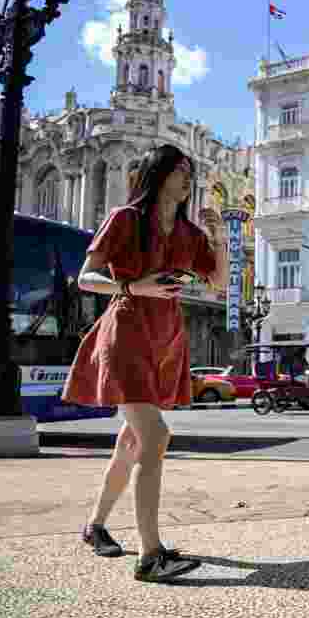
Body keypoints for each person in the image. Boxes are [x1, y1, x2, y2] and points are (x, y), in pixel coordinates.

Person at [64, 144, 224, 582]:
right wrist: (136, 287)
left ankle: (95, 525)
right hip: (126, 332)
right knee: (155, 435)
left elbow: (218, 284)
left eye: (191, 171)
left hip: (165, 341)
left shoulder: (189, 233)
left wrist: (219, 239)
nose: (188, 178)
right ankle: (151, 555)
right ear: (158, 174)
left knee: (131, 442)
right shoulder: (126, 219)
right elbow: (86, 278)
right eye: (179, 170)